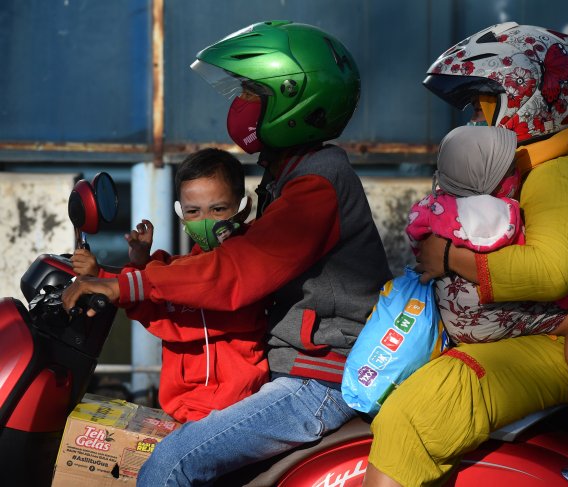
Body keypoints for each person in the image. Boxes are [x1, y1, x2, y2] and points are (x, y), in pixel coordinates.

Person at [62, 21, 392, 485]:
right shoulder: (291, 177)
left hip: (319, 381)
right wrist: (131, 272)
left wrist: (124, 283)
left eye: (253, 92)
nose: (241, 105)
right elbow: (216, 266)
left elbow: (236, 273)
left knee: (170, 464)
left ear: (295, 97)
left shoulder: (317, 184)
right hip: (300, 373)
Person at [362, 22, 568, 486]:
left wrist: (450, 260)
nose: (476, 118)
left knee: (416, 412)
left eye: (484, 102)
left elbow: (551, 273)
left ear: (529, 100)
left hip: (561, 342)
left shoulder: (557, 174)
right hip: (526, 328)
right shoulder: (525, 167)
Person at [406, 124, 568, 437]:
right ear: (486, 179)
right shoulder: (493, 214)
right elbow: (526, 266)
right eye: (510, 169)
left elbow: (418, 243)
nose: (517, 174)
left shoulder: (433, 206)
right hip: (483, 318)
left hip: (454, 318)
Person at [71, 148, 269, 424]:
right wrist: (106, 274)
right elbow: (164, 290)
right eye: (194, 211)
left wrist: (118, 281)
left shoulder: (248, 259)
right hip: (187, 412)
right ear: (181, 214)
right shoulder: (183, 268)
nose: (206, 220)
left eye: (218, 209)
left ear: (243, 207)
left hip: (232, 409)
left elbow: (183, 292)